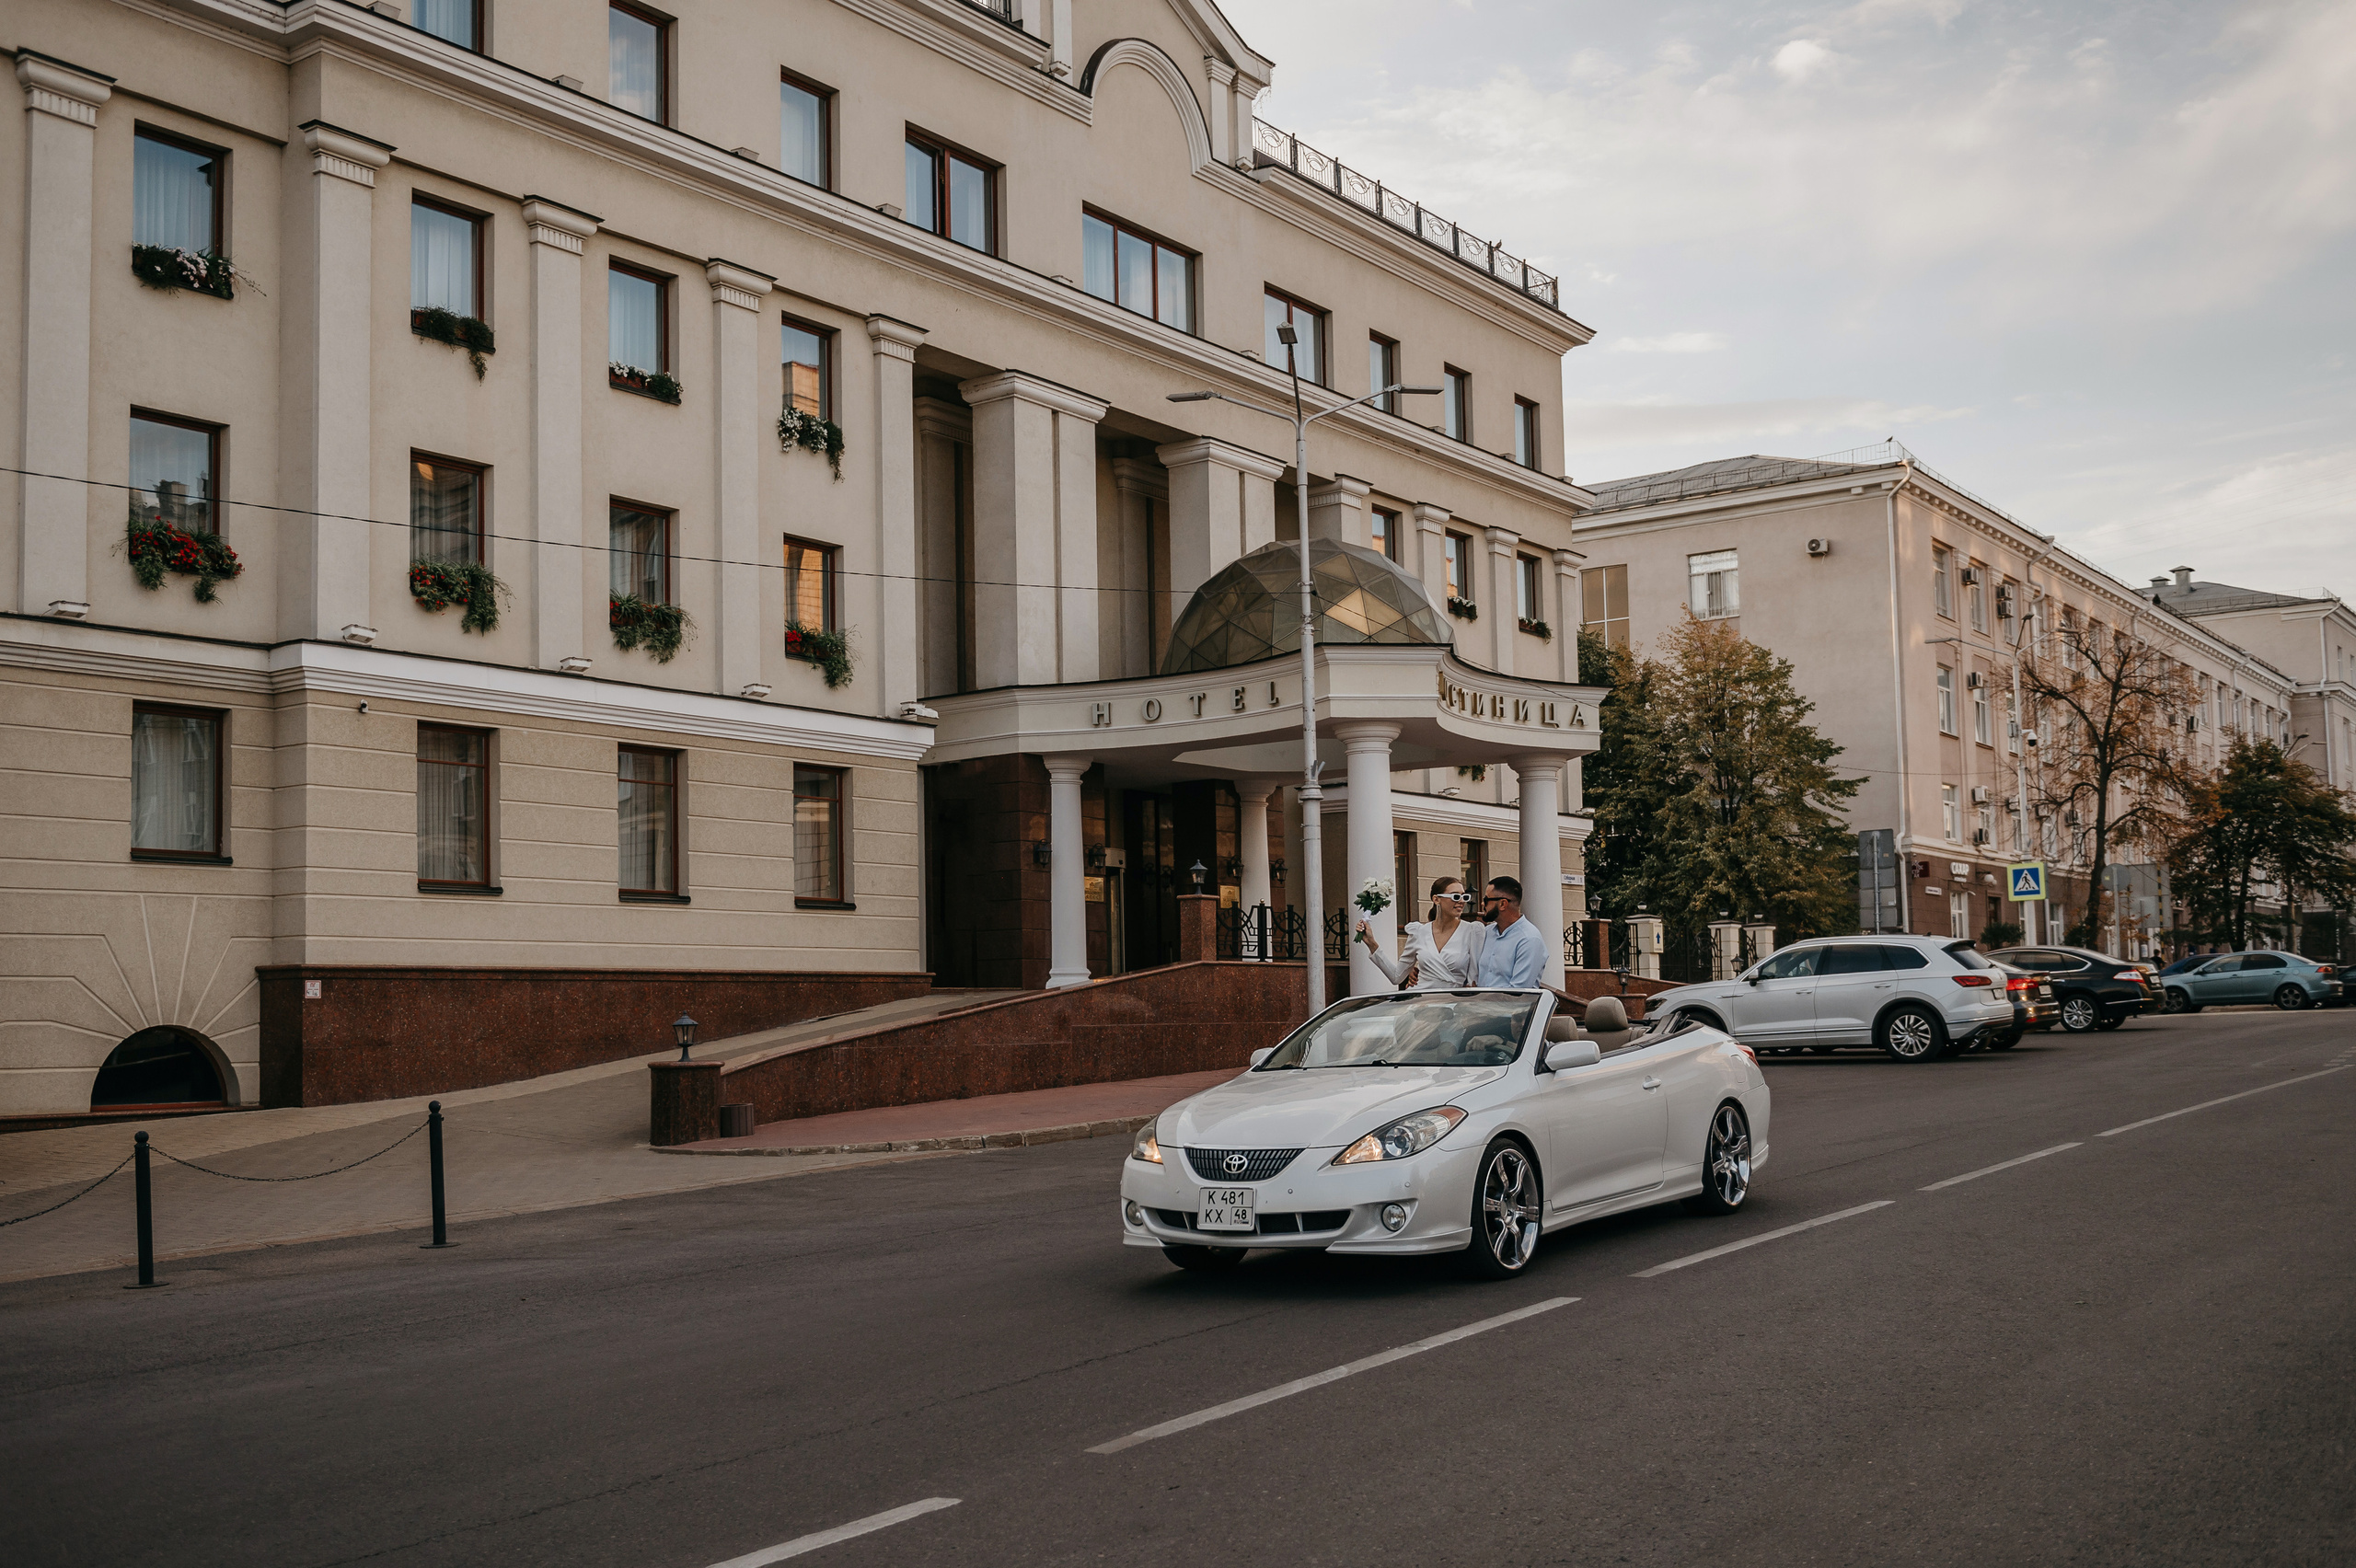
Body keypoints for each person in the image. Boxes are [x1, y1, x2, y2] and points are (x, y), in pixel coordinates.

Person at [1357, 877, 1488, 990]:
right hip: (1421, 1005)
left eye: (1464, 897)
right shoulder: (1418, 932)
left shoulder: (1473, 931)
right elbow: (1396, 977)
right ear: (1436, 899)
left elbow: (1473, 982)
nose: (1461, 901)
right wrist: (1372, 944)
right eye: (1455, 896)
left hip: (1453, 1006)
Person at [1474, 875, 1548, 988]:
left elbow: (1518, 990)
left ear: (1503, 904)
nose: (1482, 904)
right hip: (1479, 1004)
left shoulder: (1529, 939)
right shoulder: (1487, 933)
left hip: (1512, 1005)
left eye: (1486, 900)